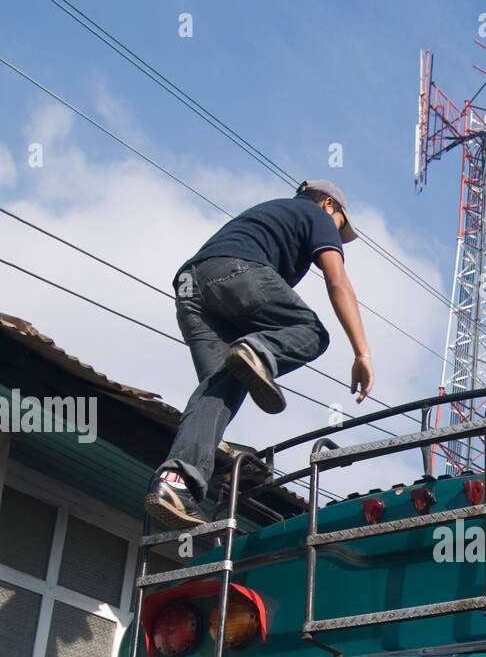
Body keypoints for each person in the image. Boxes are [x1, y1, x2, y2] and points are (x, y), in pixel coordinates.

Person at [146, 179, 373, 528]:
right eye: (341, 226)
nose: (336, 235)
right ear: (329, 205)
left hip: (192, 290)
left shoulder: (270, 214)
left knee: (219, 392)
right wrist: (362, 354)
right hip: (236, 273)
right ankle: (258, 349)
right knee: (311, 332)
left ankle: (176, 483)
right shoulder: (317, 215)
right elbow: (336, 280)